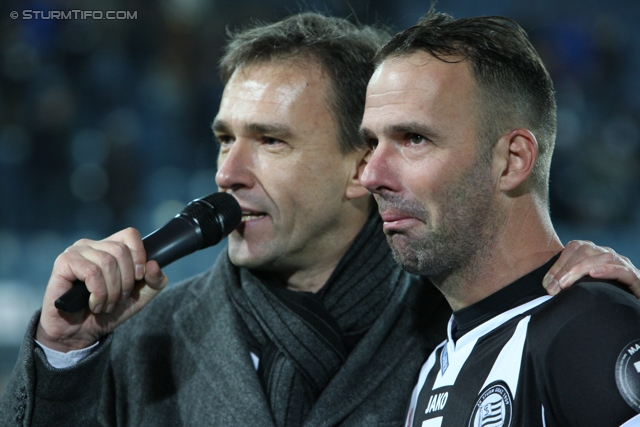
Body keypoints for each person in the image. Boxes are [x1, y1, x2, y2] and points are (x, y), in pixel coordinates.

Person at [1, 11, 638, 427]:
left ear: (358, 166)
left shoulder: (453, 312)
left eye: (271, 142)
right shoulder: (138, 339)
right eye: (225, 139)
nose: (228, 173)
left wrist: (591, 303)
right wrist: (61, 356)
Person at [360, 8, 640, 427]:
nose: (371, 175)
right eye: (371, 143)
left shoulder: (591, 333)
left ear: (512, 160)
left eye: (414, 138)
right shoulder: (434, 369)